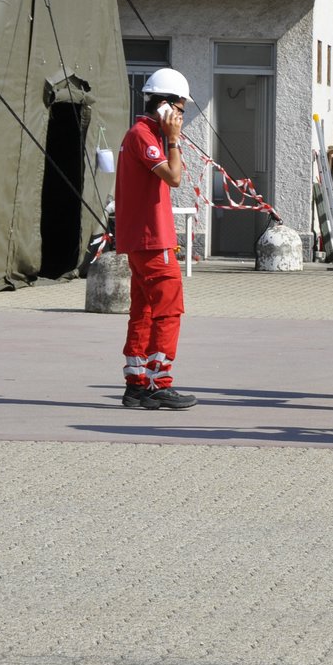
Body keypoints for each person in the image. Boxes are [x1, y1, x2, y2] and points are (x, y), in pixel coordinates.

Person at [116, 68, 197, 410]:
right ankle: (158, 382)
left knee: (144, 310)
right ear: (165, 106)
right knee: (168, 310)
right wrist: (174, 139)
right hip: (152, 241)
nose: (181, 117)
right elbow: (174, 177)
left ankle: (136, 384)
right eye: (180, 109)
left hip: (141, 240)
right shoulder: (145, 135)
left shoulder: (143, 134)